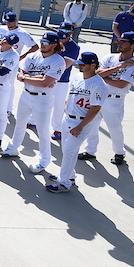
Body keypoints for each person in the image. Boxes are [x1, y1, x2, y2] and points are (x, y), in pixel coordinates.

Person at [0, 32, 67, 174]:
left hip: (43, 98)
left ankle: (44, 161)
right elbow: (21, 74)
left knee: (42, 131)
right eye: (42, 41)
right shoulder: (32, 56)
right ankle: (13, 148)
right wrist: (33, 78)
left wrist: (27, 78)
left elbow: (45, 83)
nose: (43, 45)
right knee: (20, 124)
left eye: (47, 43)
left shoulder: (58, 61)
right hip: (26, 95)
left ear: (55, 45)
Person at [46, 52, 108, 193]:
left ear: (93, 65)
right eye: (79, 63)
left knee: (69, 151)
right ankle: (69, 175)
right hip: (67, 118)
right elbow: (72, 93)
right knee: (66, 151)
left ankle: (64, 183)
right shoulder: (78, 76)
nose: (79, 66)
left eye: (83, 64)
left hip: (81, 123)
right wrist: (67, 105)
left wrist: (80, 126)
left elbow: (95, 108)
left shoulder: (99, 85)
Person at [78, 32, 134, 165]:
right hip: (98, 97)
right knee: (92, 125)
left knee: (114, 128)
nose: (119, 43)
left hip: (115, 100)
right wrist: (118, 67)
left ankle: (119, 153)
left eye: (124, 42)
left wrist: (103, 77)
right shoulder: (110, 58)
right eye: (119, 41)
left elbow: (121, 84)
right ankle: (90, 151)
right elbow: (96, 73)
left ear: (133, 45)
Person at [0, 12, 38, 114]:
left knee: (9, 84)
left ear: (15, 21)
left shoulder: (22, 33)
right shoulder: (1, 29)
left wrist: (22, 57)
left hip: (11, 62)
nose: (8, 24)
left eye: (10, 22)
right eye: (7, 22)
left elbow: (35, 46)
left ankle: (8, 108)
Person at [49, 23, 80, 140]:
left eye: (66, 31)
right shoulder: (52, 40)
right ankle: (33, 120)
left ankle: (58, 128)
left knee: (58, 104)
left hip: (61, 80)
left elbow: (65, 65)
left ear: (71, 32)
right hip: (44, 76)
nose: (63, 33)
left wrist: (50, 65)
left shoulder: (73, 47)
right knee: (39, 100)